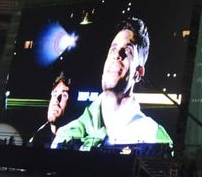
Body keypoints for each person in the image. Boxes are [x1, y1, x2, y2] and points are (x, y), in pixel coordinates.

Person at [52, 18, 172, 148]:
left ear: (139, 73)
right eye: (113, 50)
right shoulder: (66, 136)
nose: (117, 55)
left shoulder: (155, 138)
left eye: (127, 51)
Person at [29, 73, 71, 147]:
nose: (57, 100)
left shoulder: (76, 136)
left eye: (64, 95)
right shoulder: (38, 135)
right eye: (55, 94)